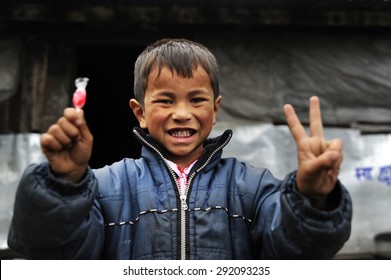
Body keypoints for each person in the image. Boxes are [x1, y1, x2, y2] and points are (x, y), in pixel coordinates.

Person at [7, 38, 352, 260]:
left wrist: (312, 200)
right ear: (140, 113)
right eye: (166, 100)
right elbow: (50, 250)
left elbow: (297, 252)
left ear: (215, 110)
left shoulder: (254, 188)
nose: (183, 113)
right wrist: (63, 182)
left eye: (197, 100)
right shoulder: (106, 186)